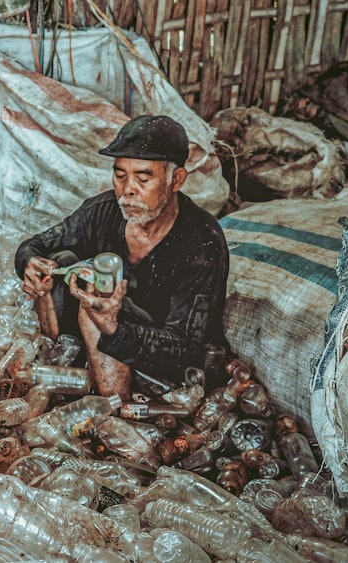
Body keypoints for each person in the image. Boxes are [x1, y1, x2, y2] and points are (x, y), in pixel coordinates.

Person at [15, 115, 229, 401]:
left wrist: (115, 328)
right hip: (94, 343)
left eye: (143, 178)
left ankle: (114, 411)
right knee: (58, 261)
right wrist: (28, 263)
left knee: (95, 301)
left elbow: (187, 347)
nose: (128, 189)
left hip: (163, 362)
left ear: (175, 179)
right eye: (120, 175)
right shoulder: (103, 210)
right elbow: (37, 245)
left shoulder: (202, 242)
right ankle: (57, 369)